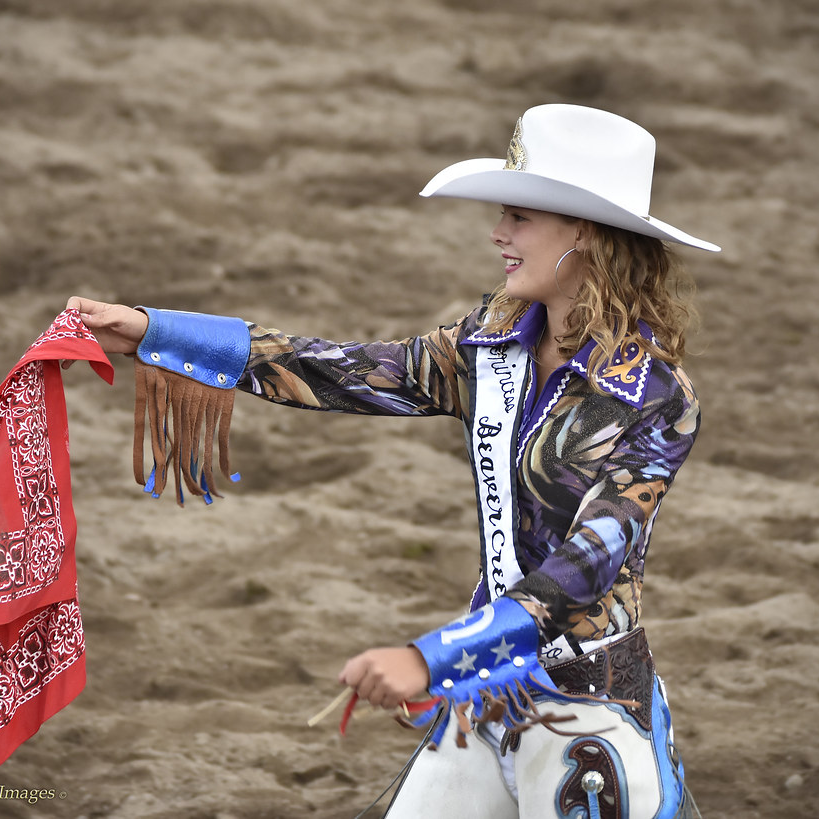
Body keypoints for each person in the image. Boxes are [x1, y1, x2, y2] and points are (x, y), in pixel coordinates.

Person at [66, 103, 716, 818]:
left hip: (587, 707)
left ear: (583, 234)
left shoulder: (654, 395)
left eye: (518, 217)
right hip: (491, 690)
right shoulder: (490, 348)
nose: (497, 233)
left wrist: (434, 658)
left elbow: (589, 561)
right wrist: (156, 331)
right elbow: (347, 370)